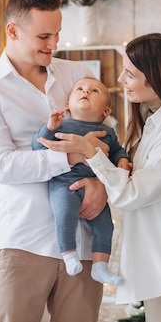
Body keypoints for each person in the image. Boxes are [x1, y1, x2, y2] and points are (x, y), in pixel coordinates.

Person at [37, 33, 161, 322]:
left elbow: (133, 193)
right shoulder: (151, 124)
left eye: (131, 74)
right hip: (156, 261)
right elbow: (128, 182)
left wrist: (91, 152)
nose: (121, 79)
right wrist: (96, 173)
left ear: (158, 78)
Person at [0, 0, 108, 322]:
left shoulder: (78, 76)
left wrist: (102, 183)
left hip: (84, 240)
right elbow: (2, 166)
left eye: (57, 34)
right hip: (22, 242)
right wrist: (72, 155)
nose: (53, 44)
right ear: (13, 30)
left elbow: (107, 140)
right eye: (44, 35)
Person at [32, 77, 129, 286]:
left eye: (95, 91)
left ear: (105, 112)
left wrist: (122, 160)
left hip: (96, 186)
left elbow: (118, 150)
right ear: (68, 105)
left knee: (105, 225)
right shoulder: (62, 126)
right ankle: (68, 254)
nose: (86, 92)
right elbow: (39, 147)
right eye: (80, 89)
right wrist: (49, 127)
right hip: (65, 185)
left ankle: (100, 266)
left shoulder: (107, 132)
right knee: (64, 214)